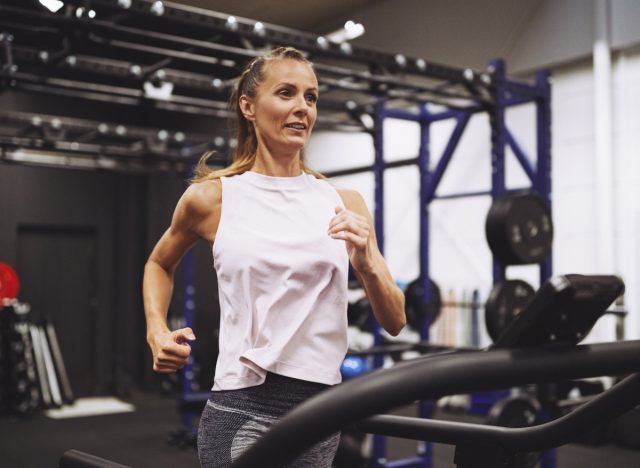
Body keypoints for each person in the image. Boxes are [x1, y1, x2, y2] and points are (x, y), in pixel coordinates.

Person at [142, 46, 406, 467]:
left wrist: (367, 264)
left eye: (311, 97)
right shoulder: (213, 198)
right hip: (242, 403)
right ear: (248, 106)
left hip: (320, 408)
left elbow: (395, 320)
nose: (302, 107)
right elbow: (159, 263)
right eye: (286, 93)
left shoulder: (344, 201)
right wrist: (157, 331)